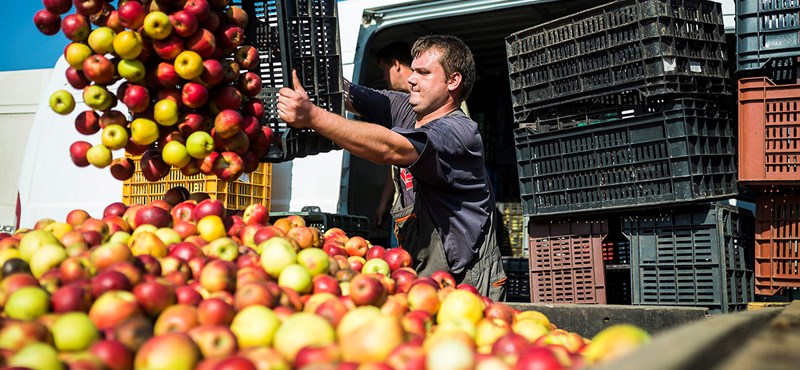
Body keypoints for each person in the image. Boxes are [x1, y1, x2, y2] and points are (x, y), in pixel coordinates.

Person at [277, 35, 506, 300]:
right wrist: (291, 59)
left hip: (467, 277)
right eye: (413, 70)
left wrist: (312, 116)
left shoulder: (458, 131)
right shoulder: (407, 110)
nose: (411, 79)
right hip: (427, 273)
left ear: (453, 81)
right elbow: (345, 93)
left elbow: (391, 148)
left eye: (423, 73)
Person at [374, 42, 414, 235]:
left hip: (422, 209)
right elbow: (396, 161)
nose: (383, 78)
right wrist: (384, 204)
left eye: (384, 70)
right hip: (401, 209)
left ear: (396, 65)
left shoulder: (436, 103)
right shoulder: (399, 109)